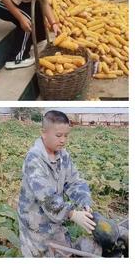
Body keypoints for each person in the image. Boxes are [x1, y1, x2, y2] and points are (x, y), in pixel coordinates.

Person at [18, 110, 95, 257]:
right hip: (35, 224)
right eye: (59, 136)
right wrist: (72, 214)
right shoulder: (34, 159)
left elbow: (74, 181)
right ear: (44, 133)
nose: (63, 140)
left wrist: (84, 200)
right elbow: (46, 197)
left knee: (63, 253)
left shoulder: (63, 155)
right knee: (38, 255)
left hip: (55, 220)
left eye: (66, 135)